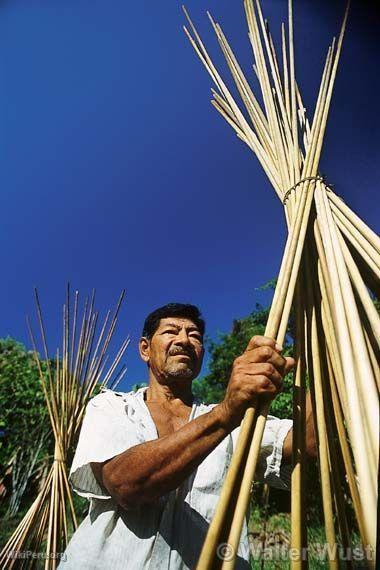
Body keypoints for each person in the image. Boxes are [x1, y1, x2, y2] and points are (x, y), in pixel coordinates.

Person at [59, 303, 316, 569]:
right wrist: (225, 413)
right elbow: (126, 485)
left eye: (194, 335)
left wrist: (311, 348)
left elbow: (307, 443)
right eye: (171, 331)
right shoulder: (111, 407)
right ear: (145, 349)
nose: (184, 340)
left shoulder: (241, 421)